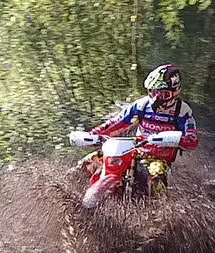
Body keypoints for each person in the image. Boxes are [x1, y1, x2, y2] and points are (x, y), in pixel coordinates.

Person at [80, 64, 198, 193]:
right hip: (134, 150)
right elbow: (117, 122)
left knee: (155, 177)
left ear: (175, 92)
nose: (156, 98)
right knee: (89, 161)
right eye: (153, 92)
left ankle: (158, 210)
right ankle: (66, 190)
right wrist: (92, 134)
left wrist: (179, 139)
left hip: (158, 158)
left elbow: (192, 139)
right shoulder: (142, 105)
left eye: (163, 94)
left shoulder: (182, 111)